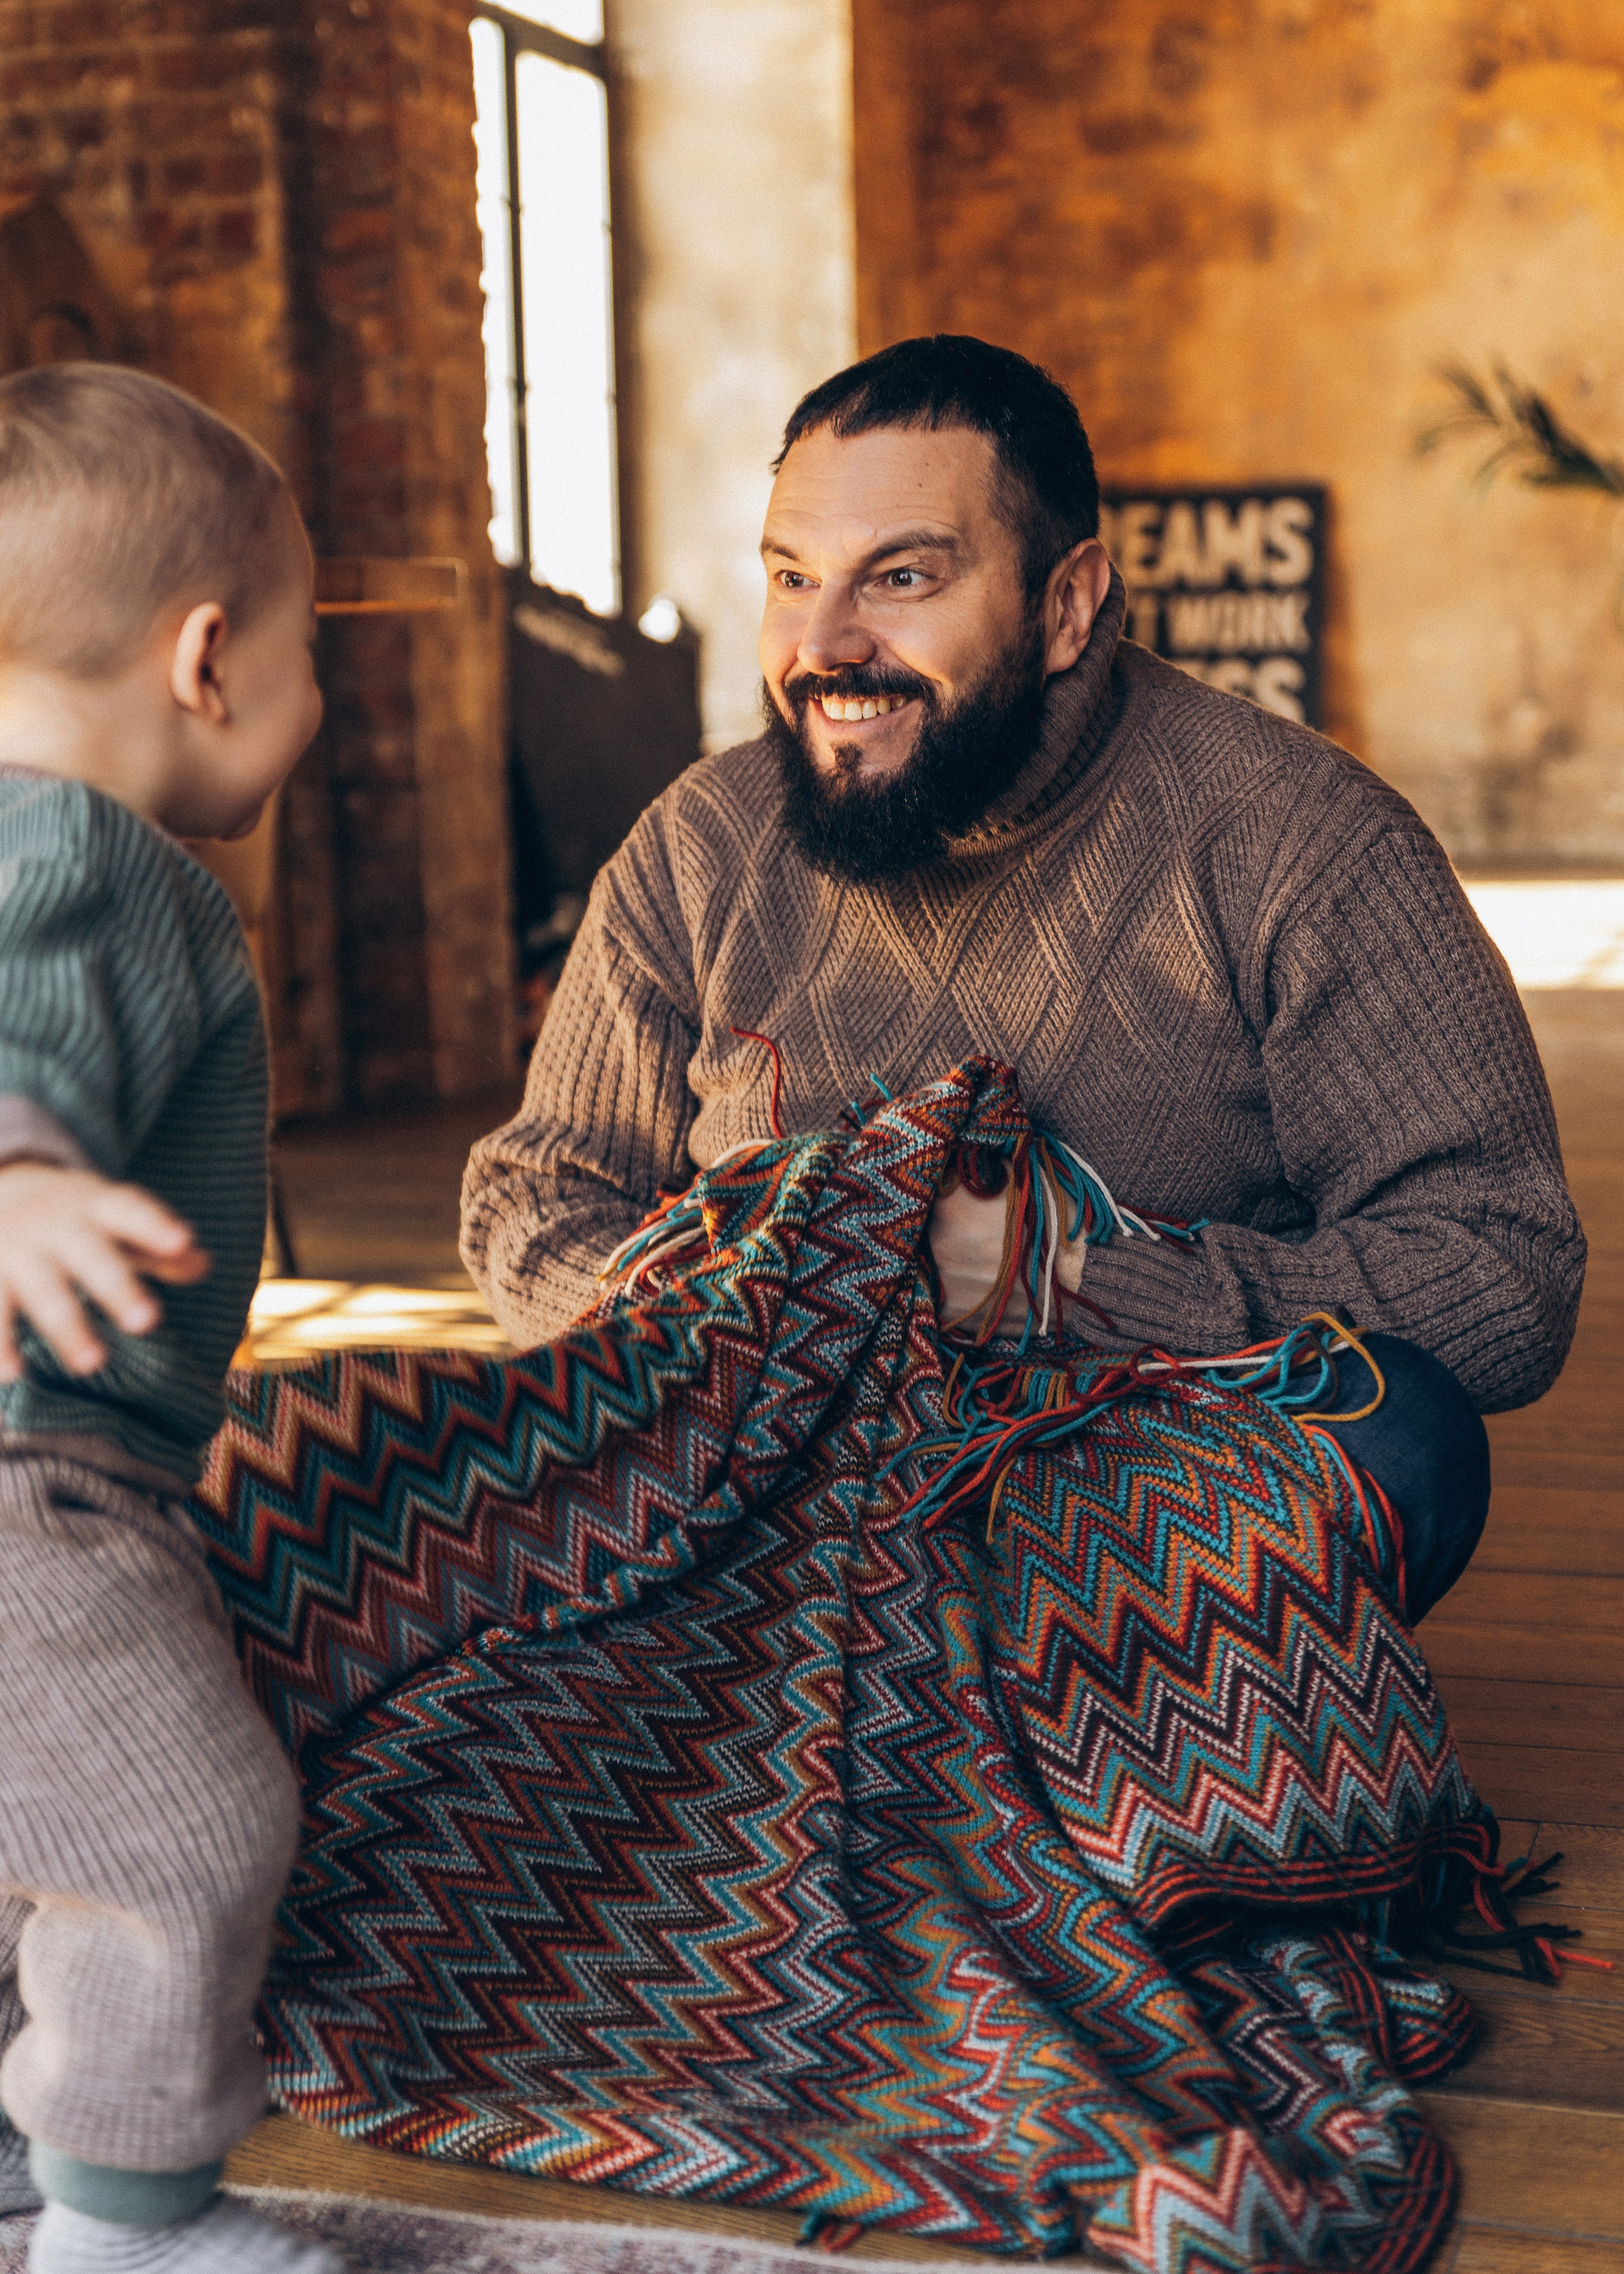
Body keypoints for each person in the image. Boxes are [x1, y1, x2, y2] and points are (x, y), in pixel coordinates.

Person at [462, 333, 1585, 1624]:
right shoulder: (700, 844)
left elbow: (1501, 1268)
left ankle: (885, 1711)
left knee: (1405, 1446)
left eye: (899, 577)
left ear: (1065, 604)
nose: (822, 644)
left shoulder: (1302, 843)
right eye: (789, 577)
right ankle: (947, 1728)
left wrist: (1057, 1290)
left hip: (1129, 1486)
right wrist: (741, 1312)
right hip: (759, 1468)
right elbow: (532, 1193)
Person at [0, 366, 338, 2274]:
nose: (314, 702)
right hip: (31, 1483)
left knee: (20, 1848)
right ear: (207, 656)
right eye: (312, 655)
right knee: (181, 1836)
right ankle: (132, 2235)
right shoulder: (84, 856)